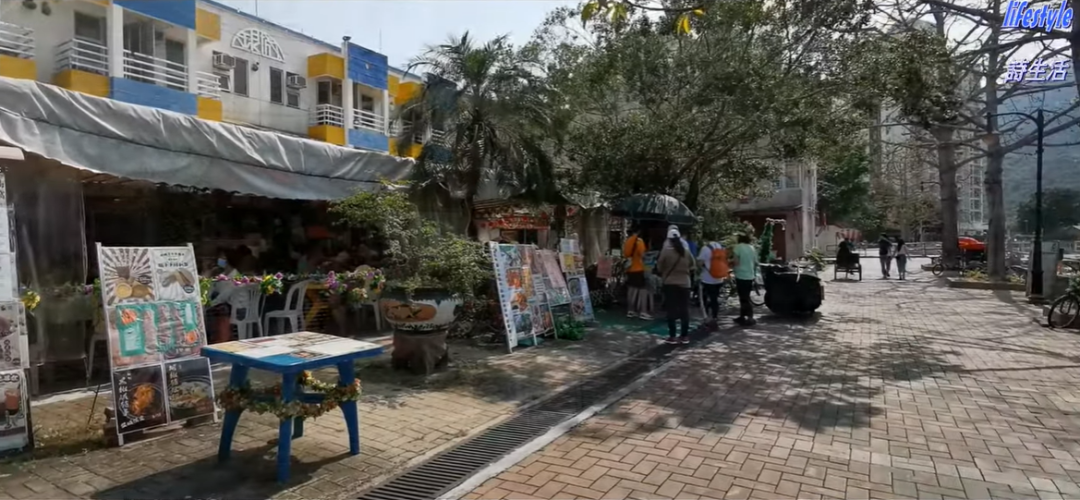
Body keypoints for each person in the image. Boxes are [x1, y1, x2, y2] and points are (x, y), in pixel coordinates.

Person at [656, 227, 694, 344]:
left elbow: (659, 267)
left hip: (670, 283)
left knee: (671, 310)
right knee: (684, 310)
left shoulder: (666, 252)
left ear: (669, 239)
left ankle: (672, 336)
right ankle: (684, 336)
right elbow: (693, 265)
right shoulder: (686, 251)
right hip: (685, 283)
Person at [697, 236, 729, 328]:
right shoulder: (722, 248)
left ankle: (707, 318)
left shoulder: (705, 248)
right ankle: (715, 317)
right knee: (714, 298)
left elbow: (700, 263)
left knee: (705, 298)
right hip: (719, 278)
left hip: (707, 279)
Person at [622, 226, 652, 320]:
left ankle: (630, 310)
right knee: (643, 290)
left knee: (631, 290)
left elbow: (626, 254)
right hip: (638, 268)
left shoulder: (627, 241)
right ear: (639, 232)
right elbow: (642, 255)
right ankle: (643, 311)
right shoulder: (639, 241)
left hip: (629, 268)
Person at [731, 233, 758, 326]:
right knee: (746, 296)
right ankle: (743, 316)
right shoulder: (752, 248)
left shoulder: (738, 247)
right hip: (750, 275)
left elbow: (736, 262)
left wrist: (731, 263)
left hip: (741, 274)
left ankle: (749, 317)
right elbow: (755, 262)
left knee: (743, 297)